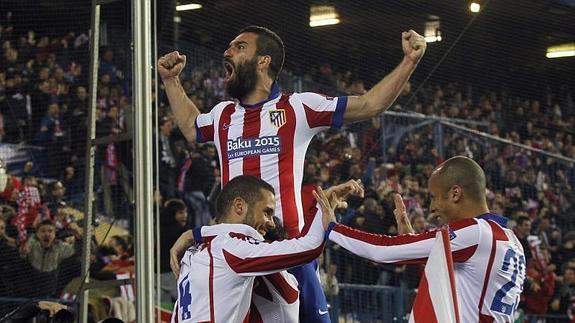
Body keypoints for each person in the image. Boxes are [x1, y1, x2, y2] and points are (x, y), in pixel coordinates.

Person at [159, 25, 426, 321]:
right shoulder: (223, 115)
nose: (227, 51)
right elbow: (191, 127)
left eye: (239, 46)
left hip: (290, 250)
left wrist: (410, 61)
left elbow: (369, 105)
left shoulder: (298, 107)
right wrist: (171, 81)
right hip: (240, 252)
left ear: (263, 60)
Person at [326, 156, 526, 322]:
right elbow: (463, 283)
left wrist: (333, 228)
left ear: (455, 193)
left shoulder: (475, 233)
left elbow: (384, 250)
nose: (431, 207)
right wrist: (409, 239)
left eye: (433, 196)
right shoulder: (512, 240)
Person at [171, 175, 345, 322]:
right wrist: (323, 209)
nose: (270, 222)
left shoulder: (193, 253)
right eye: (267, 212)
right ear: (239, 206)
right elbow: (310, 246)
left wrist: (196, 233)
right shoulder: (234, 248)